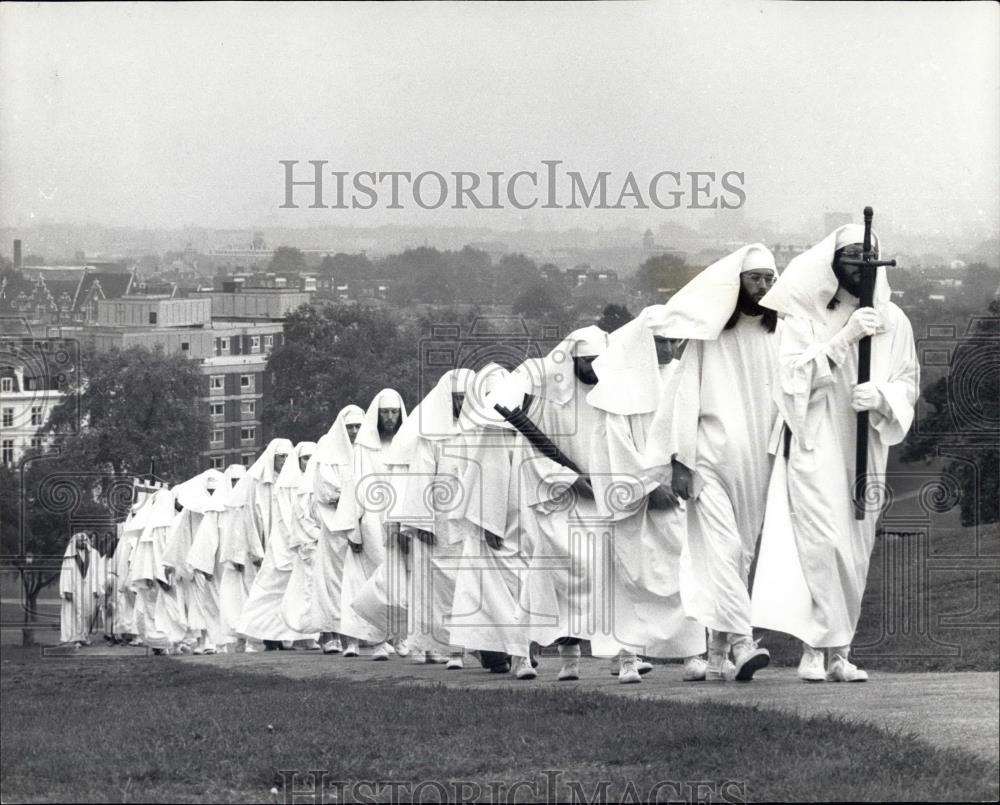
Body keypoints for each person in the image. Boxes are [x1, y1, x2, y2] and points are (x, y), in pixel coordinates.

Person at [751, 224, 919, 682]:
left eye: (869, 257)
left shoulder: (894, 320)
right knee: (822, 542)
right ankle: (813, 648)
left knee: (854, 547)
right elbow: (789, 379)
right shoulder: (803, 315)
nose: (862, 266)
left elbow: (907, 380)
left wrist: (883, 396)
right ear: (834, 262)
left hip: (865, 442)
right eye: (852, 256)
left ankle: (840, 652)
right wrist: (844, 338)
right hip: (815, 437)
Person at [646, 244, 780, 682]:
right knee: (724, 550)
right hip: (709, 461)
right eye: (755, 278)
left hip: (757, 463)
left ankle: (717, 656)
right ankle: (743, 642)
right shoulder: (708, 337)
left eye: (770, 278)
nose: (763, 286)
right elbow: (684, 399)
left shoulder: (780, 335)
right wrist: (680, 461)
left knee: (740, 555)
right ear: (736, 283)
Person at [587, 305, 711, 683]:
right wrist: (648, 486)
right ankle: (628, 656)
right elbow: (614, 446)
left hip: (679, 496)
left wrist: (682, 477)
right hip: (636, 503)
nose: (670, 348)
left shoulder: (685, 379)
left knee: (684, 573)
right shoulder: (618, 389)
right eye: (661, 341)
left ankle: (693, 653)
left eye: (674, 341)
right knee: (630, 578)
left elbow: (695, 434)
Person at [449, 362, 541, 678]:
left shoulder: (526, 429)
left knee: (525, 588)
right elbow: (488, 477)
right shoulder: (490, 432)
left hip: (527, 519)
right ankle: (518, 655)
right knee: (501, 593)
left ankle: (520, 650)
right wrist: (489, 523)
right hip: (497, 524)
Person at [391, 368, 475, 668]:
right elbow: (421, 478)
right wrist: (421, 522)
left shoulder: (479, 430)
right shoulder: (431, 436)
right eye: (456, 398)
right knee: (433, 588)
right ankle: (435, 646)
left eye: (466, 397)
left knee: (464, 585)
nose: (461, 403)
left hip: (467, 521)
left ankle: (459, 647)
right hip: (436, 523)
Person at [339, 389, 409, 660]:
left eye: (394, 412)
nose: (390, 418)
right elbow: (354, 486)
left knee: (401, 580)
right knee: (373, 579)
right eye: (385, 413)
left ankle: (400, 637)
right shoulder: (364, 447)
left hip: (399, 518)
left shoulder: (407, 442)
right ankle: (377, 640)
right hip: (371, 520)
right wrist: (353, 529)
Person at [238, 442, 320, 649]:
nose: (283, 460)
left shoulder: (309, 480)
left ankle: (302, 636)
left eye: (286, 456)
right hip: (281, 545)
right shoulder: (269, 484)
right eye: (280, 456)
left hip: (302, 542)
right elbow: (256, 517)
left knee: (302, 590)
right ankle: (262, 634)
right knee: (270, 591)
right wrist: (256, 548)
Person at [312, 405, 365, 654]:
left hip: (364, 525)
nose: (354, 431)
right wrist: (353, 499)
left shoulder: (367, 451)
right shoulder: (328, 451)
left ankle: (362, 633)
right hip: (336, 529)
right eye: (350, 427)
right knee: (335, 581)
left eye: (358, 427)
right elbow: (326, 491)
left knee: (361, 580)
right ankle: (335, 633)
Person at [59, 532, 104, 647]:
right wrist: (67, 589)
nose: (82, 542)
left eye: (84, 540)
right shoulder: (70, 556)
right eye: (80, 540)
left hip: (90, 589)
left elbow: (99, 572)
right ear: (74, 542)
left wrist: (97, 588)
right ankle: (77, 638)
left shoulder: (94, 554)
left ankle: (85, 636)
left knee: (88, 613)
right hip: (74, 589)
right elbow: (66, 573)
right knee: (75, 613)